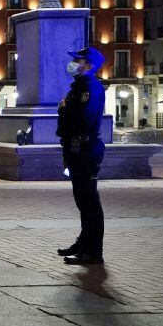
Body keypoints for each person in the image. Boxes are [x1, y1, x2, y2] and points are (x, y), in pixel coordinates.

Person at [56, 47, 107, 266]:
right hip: (76, 149)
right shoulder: (78, 88)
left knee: (89, 203)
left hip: (85, 149)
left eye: (78, 60)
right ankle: (84, 243)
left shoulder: (90, 88)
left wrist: (65, 110)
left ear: (89, 65)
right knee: (83, 201)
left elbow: (83, 120)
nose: (74, 63)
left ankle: (93, 251)